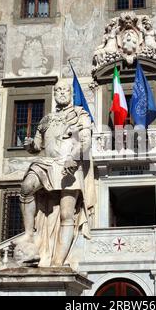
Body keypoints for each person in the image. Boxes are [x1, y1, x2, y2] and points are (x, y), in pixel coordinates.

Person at [15, 79, 95, 267]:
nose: (61, 92)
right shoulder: (46, 119)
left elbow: (85, 141)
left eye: (64, 90)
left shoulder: (80, 114)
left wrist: (73, 158)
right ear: (54, 94)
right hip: (48, 163)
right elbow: (37, 146)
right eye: (57, 90)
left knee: (67, 214)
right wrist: (29, 146)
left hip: (70, 166)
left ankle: (58, 262)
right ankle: (28, 232)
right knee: (26, 187)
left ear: (71, 93)